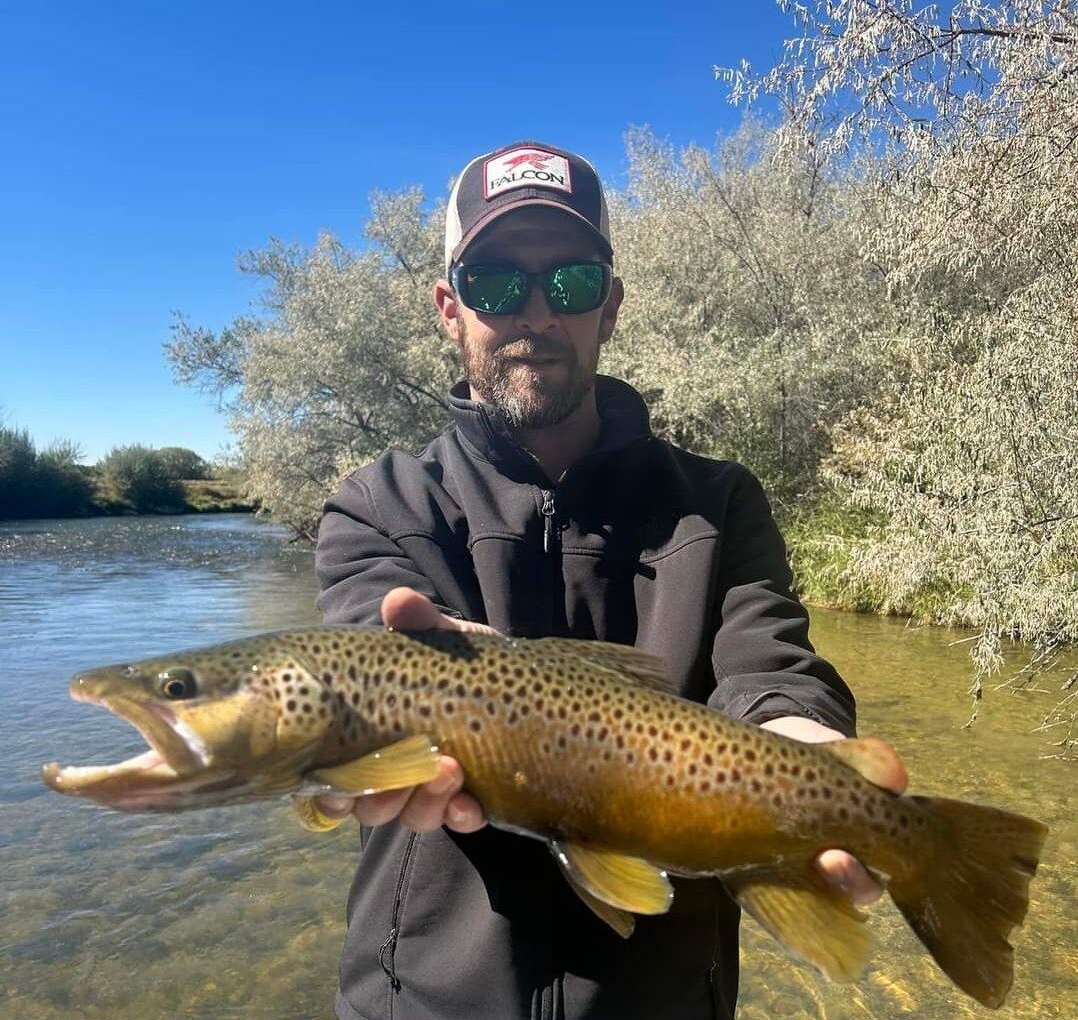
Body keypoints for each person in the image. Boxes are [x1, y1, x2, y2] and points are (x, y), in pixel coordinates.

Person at [313, 141, 906, 1020]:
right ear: (450, 307)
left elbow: (768, 668)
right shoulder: (381, 503)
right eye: (498, 283)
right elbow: (363, 651)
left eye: (573, 283)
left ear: (612, 306)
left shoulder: (716, 503)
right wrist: (402, 698)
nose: (538, 313)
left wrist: (806, 753)